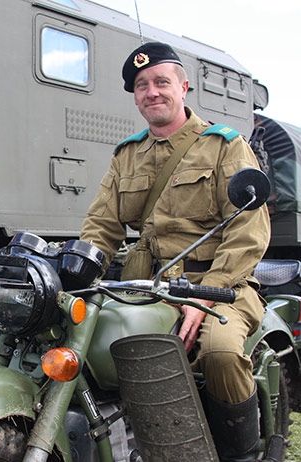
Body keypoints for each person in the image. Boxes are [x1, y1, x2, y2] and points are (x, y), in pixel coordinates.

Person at [80, 42, 270, 461]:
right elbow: (101, 226)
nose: (152, 92)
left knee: (219, 352)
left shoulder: (224, 146)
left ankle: (241, 452)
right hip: (147, 285)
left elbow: (247, 230)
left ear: (183, 87)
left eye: (161, 82)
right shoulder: (126, 156)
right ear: (135, 96)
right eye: (142, 85)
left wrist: (207, 294)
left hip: (222, 286)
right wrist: (75, 270)